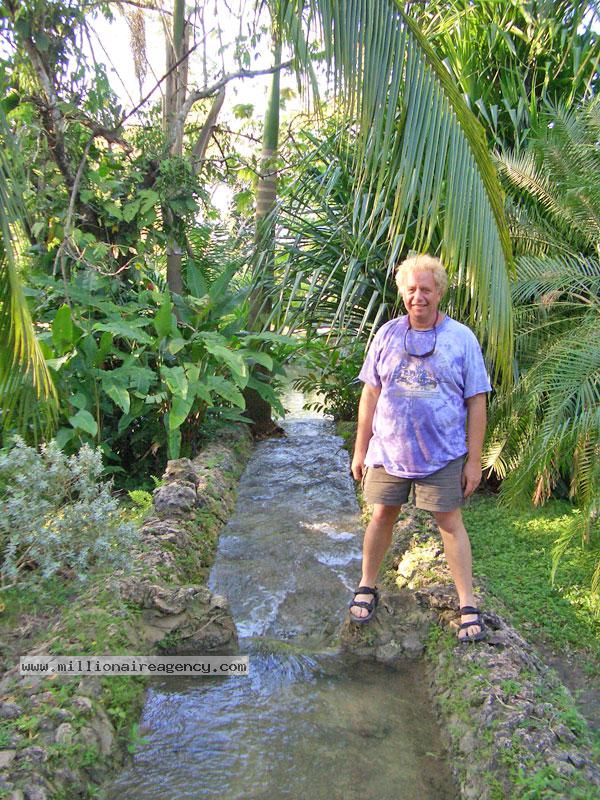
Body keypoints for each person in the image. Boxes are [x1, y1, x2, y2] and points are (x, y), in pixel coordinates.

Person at [348, 253, 492, 643]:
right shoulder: (387, 334)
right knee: (382, 515)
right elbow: (370, 394)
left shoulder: (461, 338)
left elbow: (477, 400)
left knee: (449, 523)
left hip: (442, 453)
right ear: (403, 293)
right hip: (388, 451)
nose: (418, 297)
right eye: (411, 289)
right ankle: (366, 584)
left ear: (439, 292)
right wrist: (360, 449)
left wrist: (474, 461)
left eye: (426, 289)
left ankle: (467, 603)